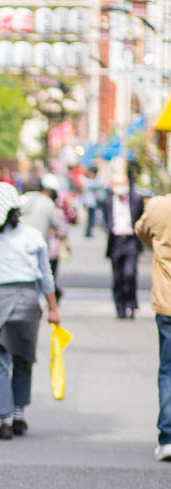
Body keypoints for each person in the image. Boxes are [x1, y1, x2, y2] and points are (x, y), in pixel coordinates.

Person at [0, 182, 60, 440]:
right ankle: (19, 415)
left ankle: (4, 420)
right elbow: (46, 276)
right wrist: (52, 308)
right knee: (23, 359)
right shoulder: (32, 236)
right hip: (28, 301)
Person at [134, 193, 171, 460]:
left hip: (167, 300)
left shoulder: (159, 206)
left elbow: (141, 232)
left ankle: (168, 438)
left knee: (168, 370)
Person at [103, 172, 146, 318]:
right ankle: (119, 305)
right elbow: (106, 220)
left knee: (130, 273)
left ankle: (131, 303)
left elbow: (142, 219)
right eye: (117, 184)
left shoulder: (136, 199)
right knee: (117, 276)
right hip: (115, 241)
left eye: (122, 184)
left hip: (131, 240)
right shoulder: (108, 201)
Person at [20, 174, 67, 300]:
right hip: (40, 245)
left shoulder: (18, 201)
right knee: (42, 275)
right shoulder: (47, 203)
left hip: (18, 246)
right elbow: (58, 225)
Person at [81, 166, 103, 238]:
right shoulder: (87, 181)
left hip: (93, 202)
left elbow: (100, 185)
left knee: (92, 217)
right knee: (88, 217)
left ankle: (89, 230)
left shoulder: (96, 180)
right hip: (88, 202)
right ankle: (88, 231)